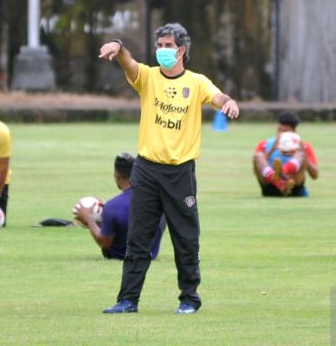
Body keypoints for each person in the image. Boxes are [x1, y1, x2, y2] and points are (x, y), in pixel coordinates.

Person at [97, 22, 240, 315]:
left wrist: (228, 102)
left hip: (180, 173)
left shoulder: (197, 82)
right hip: (147, 170)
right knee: (138, 238)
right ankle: (128, 300)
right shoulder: (148, 78)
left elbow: (218, 97)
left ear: (181, 50)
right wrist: (119, 46)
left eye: (168, 46)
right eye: (159, 45)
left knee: (185, 237)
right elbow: (130, 63)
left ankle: (189, 299)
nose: (162, 51)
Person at [75, 152, 166, 261]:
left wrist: (89, 217)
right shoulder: (159, 201)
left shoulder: (112, 207)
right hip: (150, 254)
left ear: (117, 176)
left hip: (120, 256)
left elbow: (104, 242)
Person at [253, 110, 319, 197]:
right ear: (277, 127)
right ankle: (279, 183)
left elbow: (315, 175)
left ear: (294, 131)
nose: (282, 134)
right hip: (271, 187)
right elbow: (258, 169)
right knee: (258, 156)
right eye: (280, 131)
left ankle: (282, 171)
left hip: (293, 186)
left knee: (301, 155)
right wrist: (272, 150)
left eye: (286, 132)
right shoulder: (265, 145)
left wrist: (304, 154)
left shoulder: (304, 146)